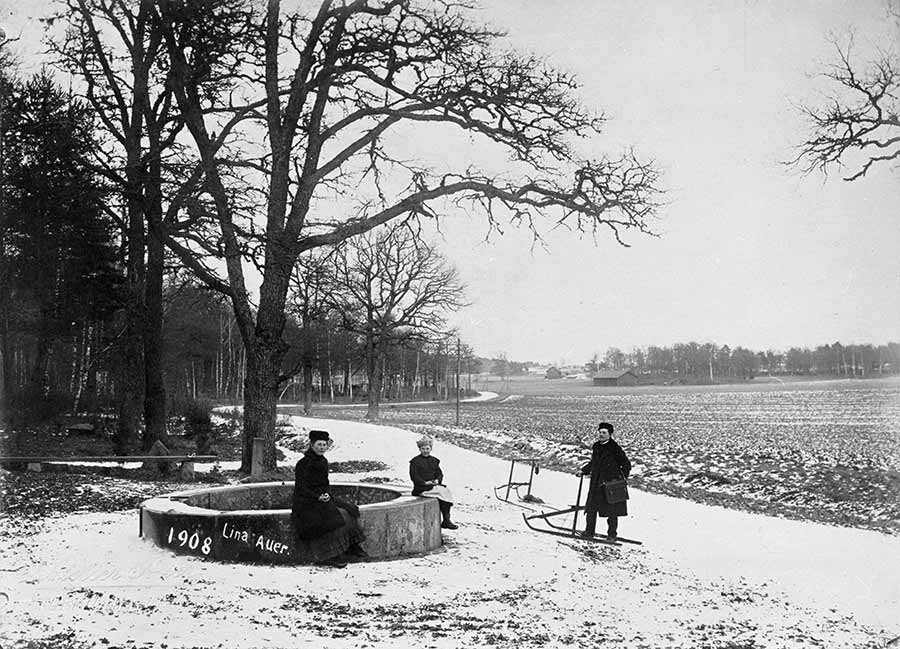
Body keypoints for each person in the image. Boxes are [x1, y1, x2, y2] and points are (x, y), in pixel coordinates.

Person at [292, 429, 366, 568]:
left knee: (350, 510)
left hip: (322, 497)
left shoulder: (323, 461)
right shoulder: (303, 463)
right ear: (312, 445)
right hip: (305, 500)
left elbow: (325, 484)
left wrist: (326, 494)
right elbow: (301, 487)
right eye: (319, 445)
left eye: (324, 445)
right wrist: (317, 496)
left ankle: (351, 546)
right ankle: (329, 555)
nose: (321, 448)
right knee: (331, 518)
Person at [577, 421, 631, 539]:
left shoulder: (614, 448)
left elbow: (626, 464)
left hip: (609, 485)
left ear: (610, 434)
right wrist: (583, 470)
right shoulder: (596, 446)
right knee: (591, 507)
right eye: (600, 432)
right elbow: (593, 463)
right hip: (596, 483)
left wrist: (620, 480)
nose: (601, 434)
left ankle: (612, 535)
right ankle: (589, 532)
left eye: (604, 432)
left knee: (612, 511)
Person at [409, 436, 458, 529]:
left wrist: (437, 480)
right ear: (419, 449)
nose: (425, 451)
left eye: (427, 448)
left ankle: (447, 520)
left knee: (446, 492)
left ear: (431, 448)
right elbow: (414, 476)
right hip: (421, 488)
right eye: (423, 449)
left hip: (433, 486)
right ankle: (446, 521)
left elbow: (439, 474)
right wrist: (424, 482)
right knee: (442, 493)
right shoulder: (415, 462)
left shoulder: (434, 461)